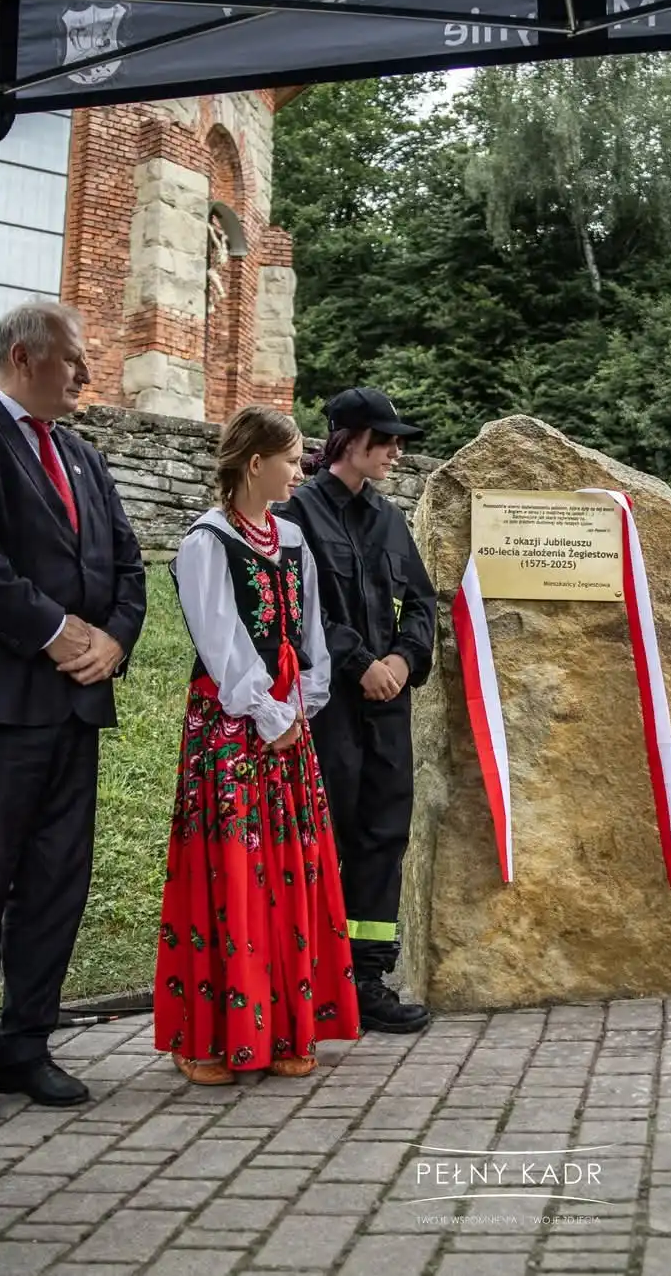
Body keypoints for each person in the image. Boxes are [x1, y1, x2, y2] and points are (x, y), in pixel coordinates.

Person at [0, 301, 147, 1129]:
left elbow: (126, 561)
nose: (86, 375)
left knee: (55, 882)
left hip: (74, 704)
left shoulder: (83, 454)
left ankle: (27, 1041)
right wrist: (54, 631)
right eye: (75, 360)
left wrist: (112, 641)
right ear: (23, 355)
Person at [156, 405, 360, 1083]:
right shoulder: (206, 541)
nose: (300, 471)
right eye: (292, 458)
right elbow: (222, 643)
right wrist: (269, 714)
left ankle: (284, 1024)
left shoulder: (294, 540)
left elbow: (311, 633)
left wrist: (306, 699)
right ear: (254, 462)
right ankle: (208, 1035)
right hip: (230, 728)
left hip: (289, 720)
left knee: (286, 866)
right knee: (231, 869)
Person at [276, 387, 436, 1034]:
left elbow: (423, 604)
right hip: (325, 711)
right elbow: (298, 610)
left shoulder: (391, 521)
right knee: (321, 839)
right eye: (386, 438)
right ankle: (307, 979)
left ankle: (366, 980)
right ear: (347, 439)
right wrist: (358, 662)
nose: (396, 451)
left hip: (387, 713)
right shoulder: (296, 514)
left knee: (381, 840)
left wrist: (401, 659)